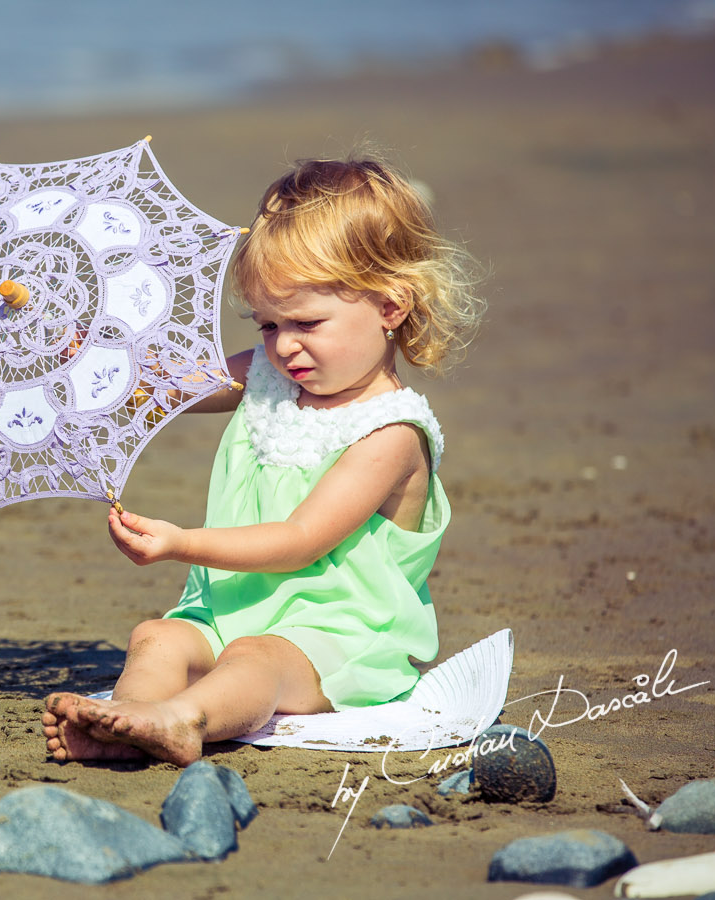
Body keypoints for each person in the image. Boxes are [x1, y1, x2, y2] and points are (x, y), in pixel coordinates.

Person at [43, 156, 485, 766]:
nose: (283, 345)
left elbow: (299, 540)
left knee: (256, 659)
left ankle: (181, 718)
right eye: (268, 323)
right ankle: (126, 722)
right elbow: (169, 388)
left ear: (390, 306)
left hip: (334, 640)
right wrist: (95, 361)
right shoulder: (267, 379)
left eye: (306, 322)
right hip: (232, 609)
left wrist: (181, 544)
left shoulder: (390, 434)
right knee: (158, 637)